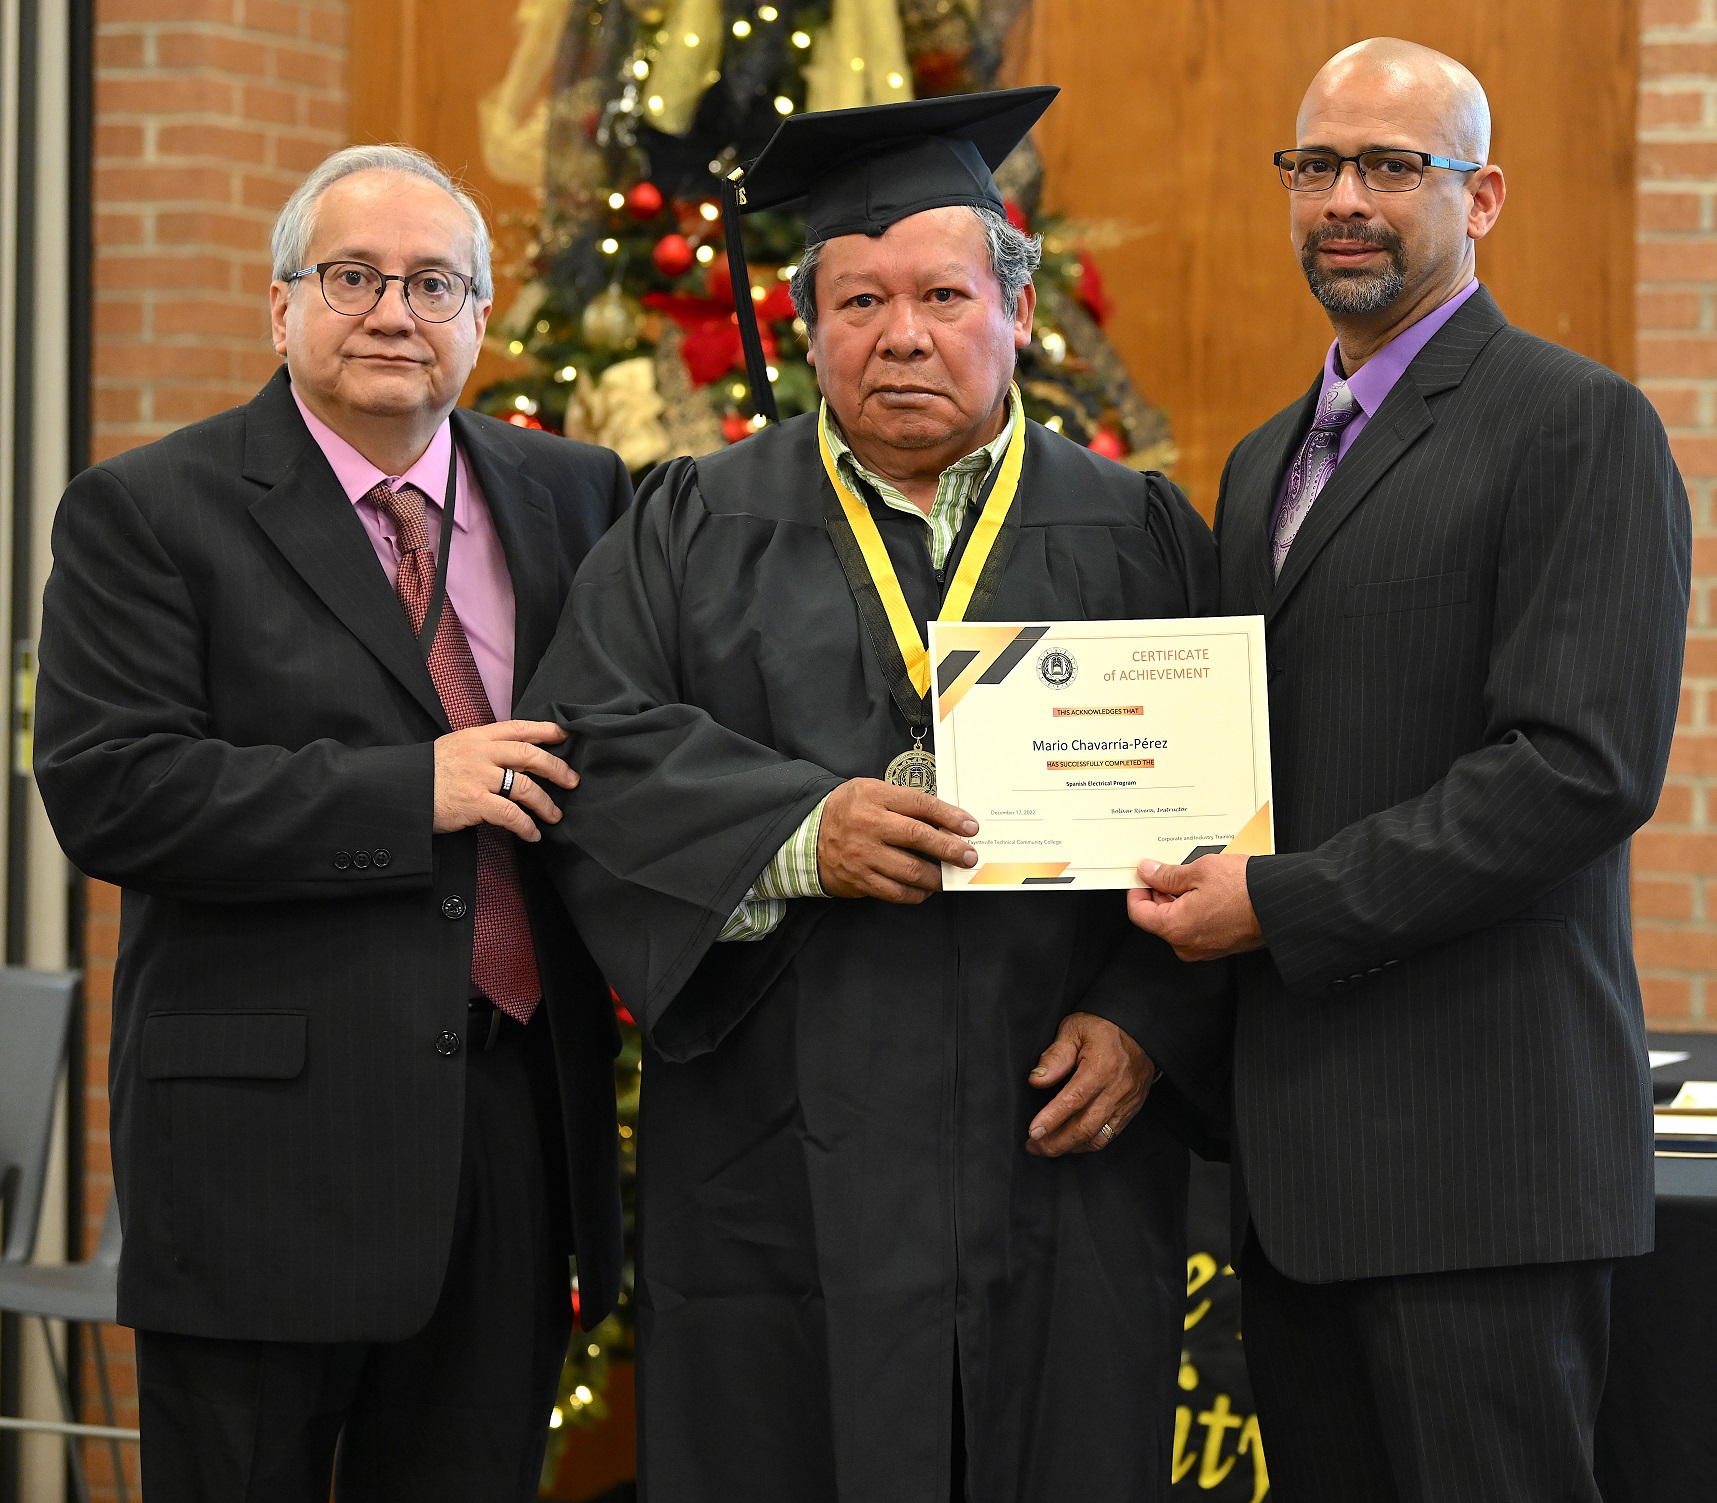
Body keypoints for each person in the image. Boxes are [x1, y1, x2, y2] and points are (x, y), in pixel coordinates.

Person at [521, 88, 1230, 1503]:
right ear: (806, 320)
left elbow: (1240, 821)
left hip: (1060, 1140)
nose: (899, 334)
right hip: (783, 1157)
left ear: (1014, 312)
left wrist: (1149, 1023)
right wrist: (795, 833)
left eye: (940, 293)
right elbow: (586, 749)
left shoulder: (1138, 534)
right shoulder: (690, 523)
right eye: (857, 300)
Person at [1126, 38, 1691, 1503]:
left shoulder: (1575, 425)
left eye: (1391, 165)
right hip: (1299, 1179)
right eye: (1314, 165)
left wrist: (1275, 905)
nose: (1344, 200)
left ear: (1481, 195)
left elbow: (1578, 767)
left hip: (1477, 1169)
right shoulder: (1260, 464)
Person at [34, 145, 630, 1502]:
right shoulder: (149, 512)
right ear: (281, 306)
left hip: (512, 1131)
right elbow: (113, 789)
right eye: (351, 275)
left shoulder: (576, 495)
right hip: (268, 1155)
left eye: (434, 283)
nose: (391, 312)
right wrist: (410, 792)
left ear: (482, 318)